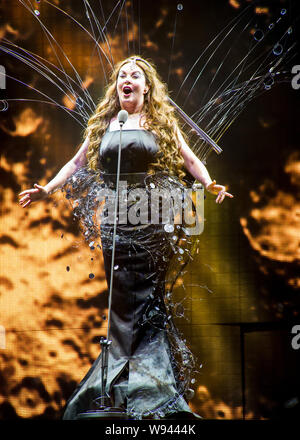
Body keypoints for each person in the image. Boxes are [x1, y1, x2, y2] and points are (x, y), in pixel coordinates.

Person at [18, 56, 233, 420]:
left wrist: (208, 182)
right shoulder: (105, 123)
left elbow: (188, 158)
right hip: (117, 222)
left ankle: (155, 390)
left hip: (149, 217)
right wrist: (47, 189)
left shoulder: (160, 121)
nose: (126, 80)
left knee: (147, 305)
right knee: (120, 305)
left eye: (134, 75)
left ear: (147, 86)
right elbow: (75, 163)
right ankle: (119, 388)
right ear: (117, 87)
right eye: (121, 77)